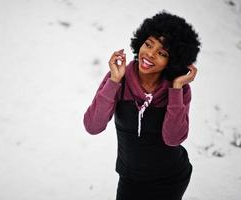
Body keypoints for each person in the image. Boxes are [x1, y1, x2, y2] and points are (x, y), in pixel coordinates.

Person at [83, 11, 201, 200]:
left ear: (172, 61)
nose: (150, 54)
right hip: (130, 178)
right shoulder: (119, 79)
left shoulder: (178, 89)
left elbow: (173, 138)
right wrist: (114, 81)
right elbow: (93, 126)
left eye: (162, 53)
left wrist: (177, 88)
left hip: (170, 179)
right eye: (148, 44)